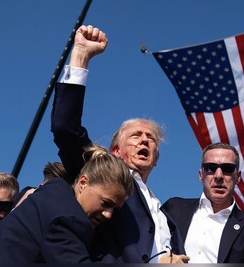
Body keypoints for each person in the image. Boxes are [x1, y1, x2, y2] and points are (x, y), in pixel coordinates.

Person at [51, 24, 189, 264]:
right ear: (115, 150)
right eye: (136, 136)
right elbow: (65, 128)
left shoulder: (165, 214)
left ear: (156, 159)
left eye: (151, 138)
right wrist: (81, 56)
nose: (145, 140)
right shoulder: (102, 175)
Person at [0, 145, 134, 263]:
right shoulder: (66, 219)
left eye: (114, 209)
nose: (108, 214)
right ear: (83, 182)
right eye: (105, 203)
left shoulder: (53, 191)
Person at [162, 142, 244, 263]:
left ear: (238, 176)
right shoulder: (173, 209)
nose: (219, 175)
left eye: (227, 169)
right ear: (201, 175)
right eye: (210, 168)